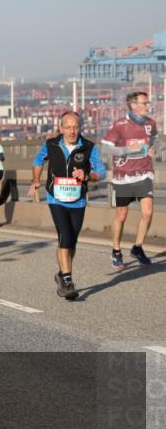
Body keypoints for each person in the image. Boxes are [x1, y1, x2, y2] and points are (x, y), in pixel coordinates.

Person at [29, 111, 106, 299]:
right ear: (60, 128)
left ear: (80, 128)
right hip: (56, 198)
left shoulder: (88, 147)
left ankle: (61, 273)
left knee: (72, 240)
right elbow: (37, 161)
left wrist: (87, 176)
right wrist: (36, 180)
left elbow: (101, 172)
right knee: (64, 235)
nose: (72, 131)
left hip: (78, 200)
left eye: (75, 127)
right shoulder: (51, 145)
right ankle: (68, 281)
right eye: (68, 127)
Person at [102, 91, 157, 268]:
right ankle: (116, 249)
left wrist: (152, 150)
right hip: (124, 176)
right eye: (144, 103)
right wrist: (127, 149)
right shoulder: (120, 125)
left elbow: (153, 141)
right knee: (122, 215)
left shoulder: (151, 123)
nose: (147, 106)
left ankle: (138, 247)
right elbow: (106, 149)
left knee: (147, 212)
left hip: (144, 173)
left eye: (147, 103)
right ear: (133, 105)